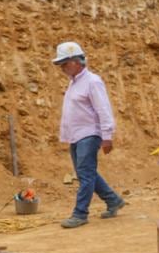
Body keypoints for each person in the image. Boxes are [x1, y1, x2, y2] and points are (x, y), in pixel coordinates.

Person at [53, 41, 127, 229]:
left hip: (89, 134)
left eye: (64, 64)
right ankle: (113, 200)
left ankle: (80, 213)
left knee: (85, 174)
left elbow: (103, 109)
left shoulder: (92, 82)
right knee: (86, 173)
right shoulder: (74, 84)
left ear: (76, 62)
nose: (62, 68)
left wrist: (107, 136)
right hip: (76, 135)